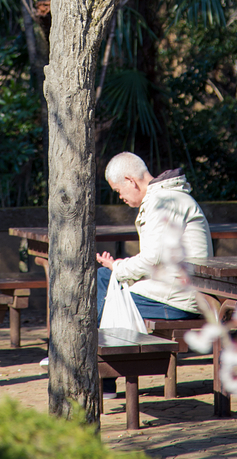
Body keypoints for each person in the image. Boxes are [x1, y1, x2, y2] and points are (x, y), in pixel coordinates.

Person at [97, 152, 213, 395]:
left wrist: (119, 268)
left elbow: (151, 259)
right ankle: (102, 376)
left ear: (130, 180)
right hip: (170, 288)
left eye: (119, 190)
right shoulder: (163, 197)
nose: (120, 197)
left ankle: (99, 375)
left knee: (103, 289)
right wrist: (118, 269)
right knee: (104, 281)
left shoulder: (164, 201)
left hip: (178, 298)